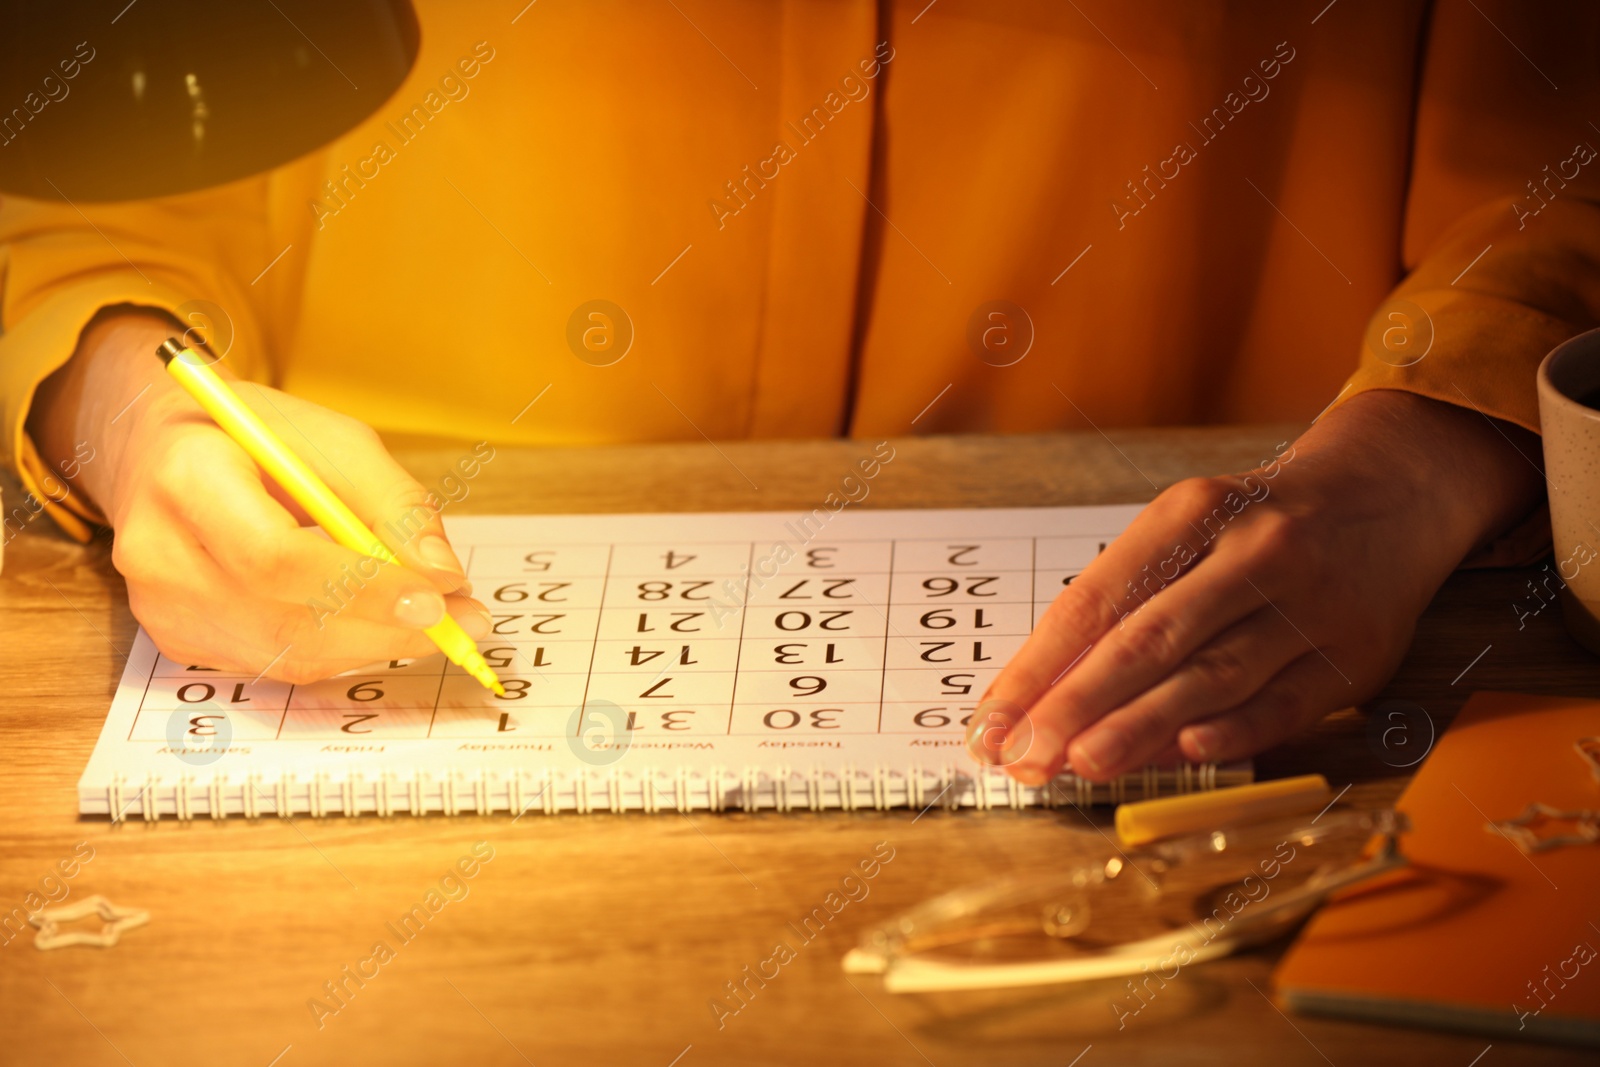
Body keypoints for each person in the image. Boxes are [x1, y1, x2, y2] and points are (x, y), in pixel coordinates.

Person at [1, 1, 1588, 785]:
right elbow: (85, 171)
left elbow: (1562, 174)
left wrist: (1425, 455)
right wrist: (130, 402)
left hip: (1229, 611)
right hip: (358, 523)